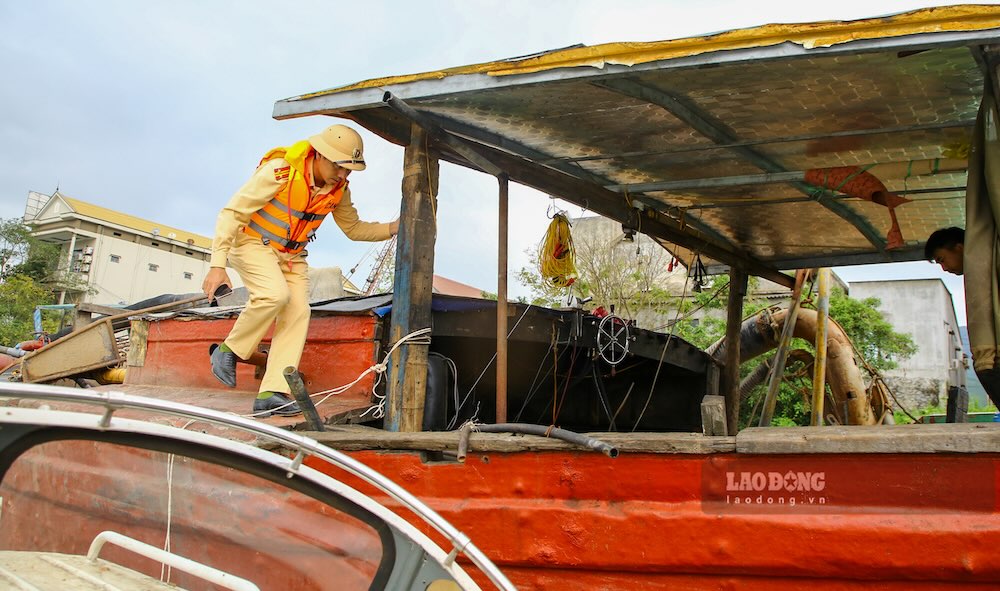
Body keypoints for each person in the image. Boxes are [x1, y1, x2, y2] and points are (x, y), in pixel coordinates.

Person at [203, 124, 399, 417]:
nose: (343, 175)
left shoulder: (339, 190)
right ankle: (227, 351)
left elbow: (354, 229)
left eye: (348, 170)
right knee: (274, 295)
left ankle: (272, 392)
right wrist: (217, 265)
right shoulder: (280, 172)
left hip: (292, 256)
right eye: (338, 166)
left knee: (298, 312)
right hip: (252, 243)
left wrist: (393, 228)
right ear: (319, 154)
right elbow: (232, 214)